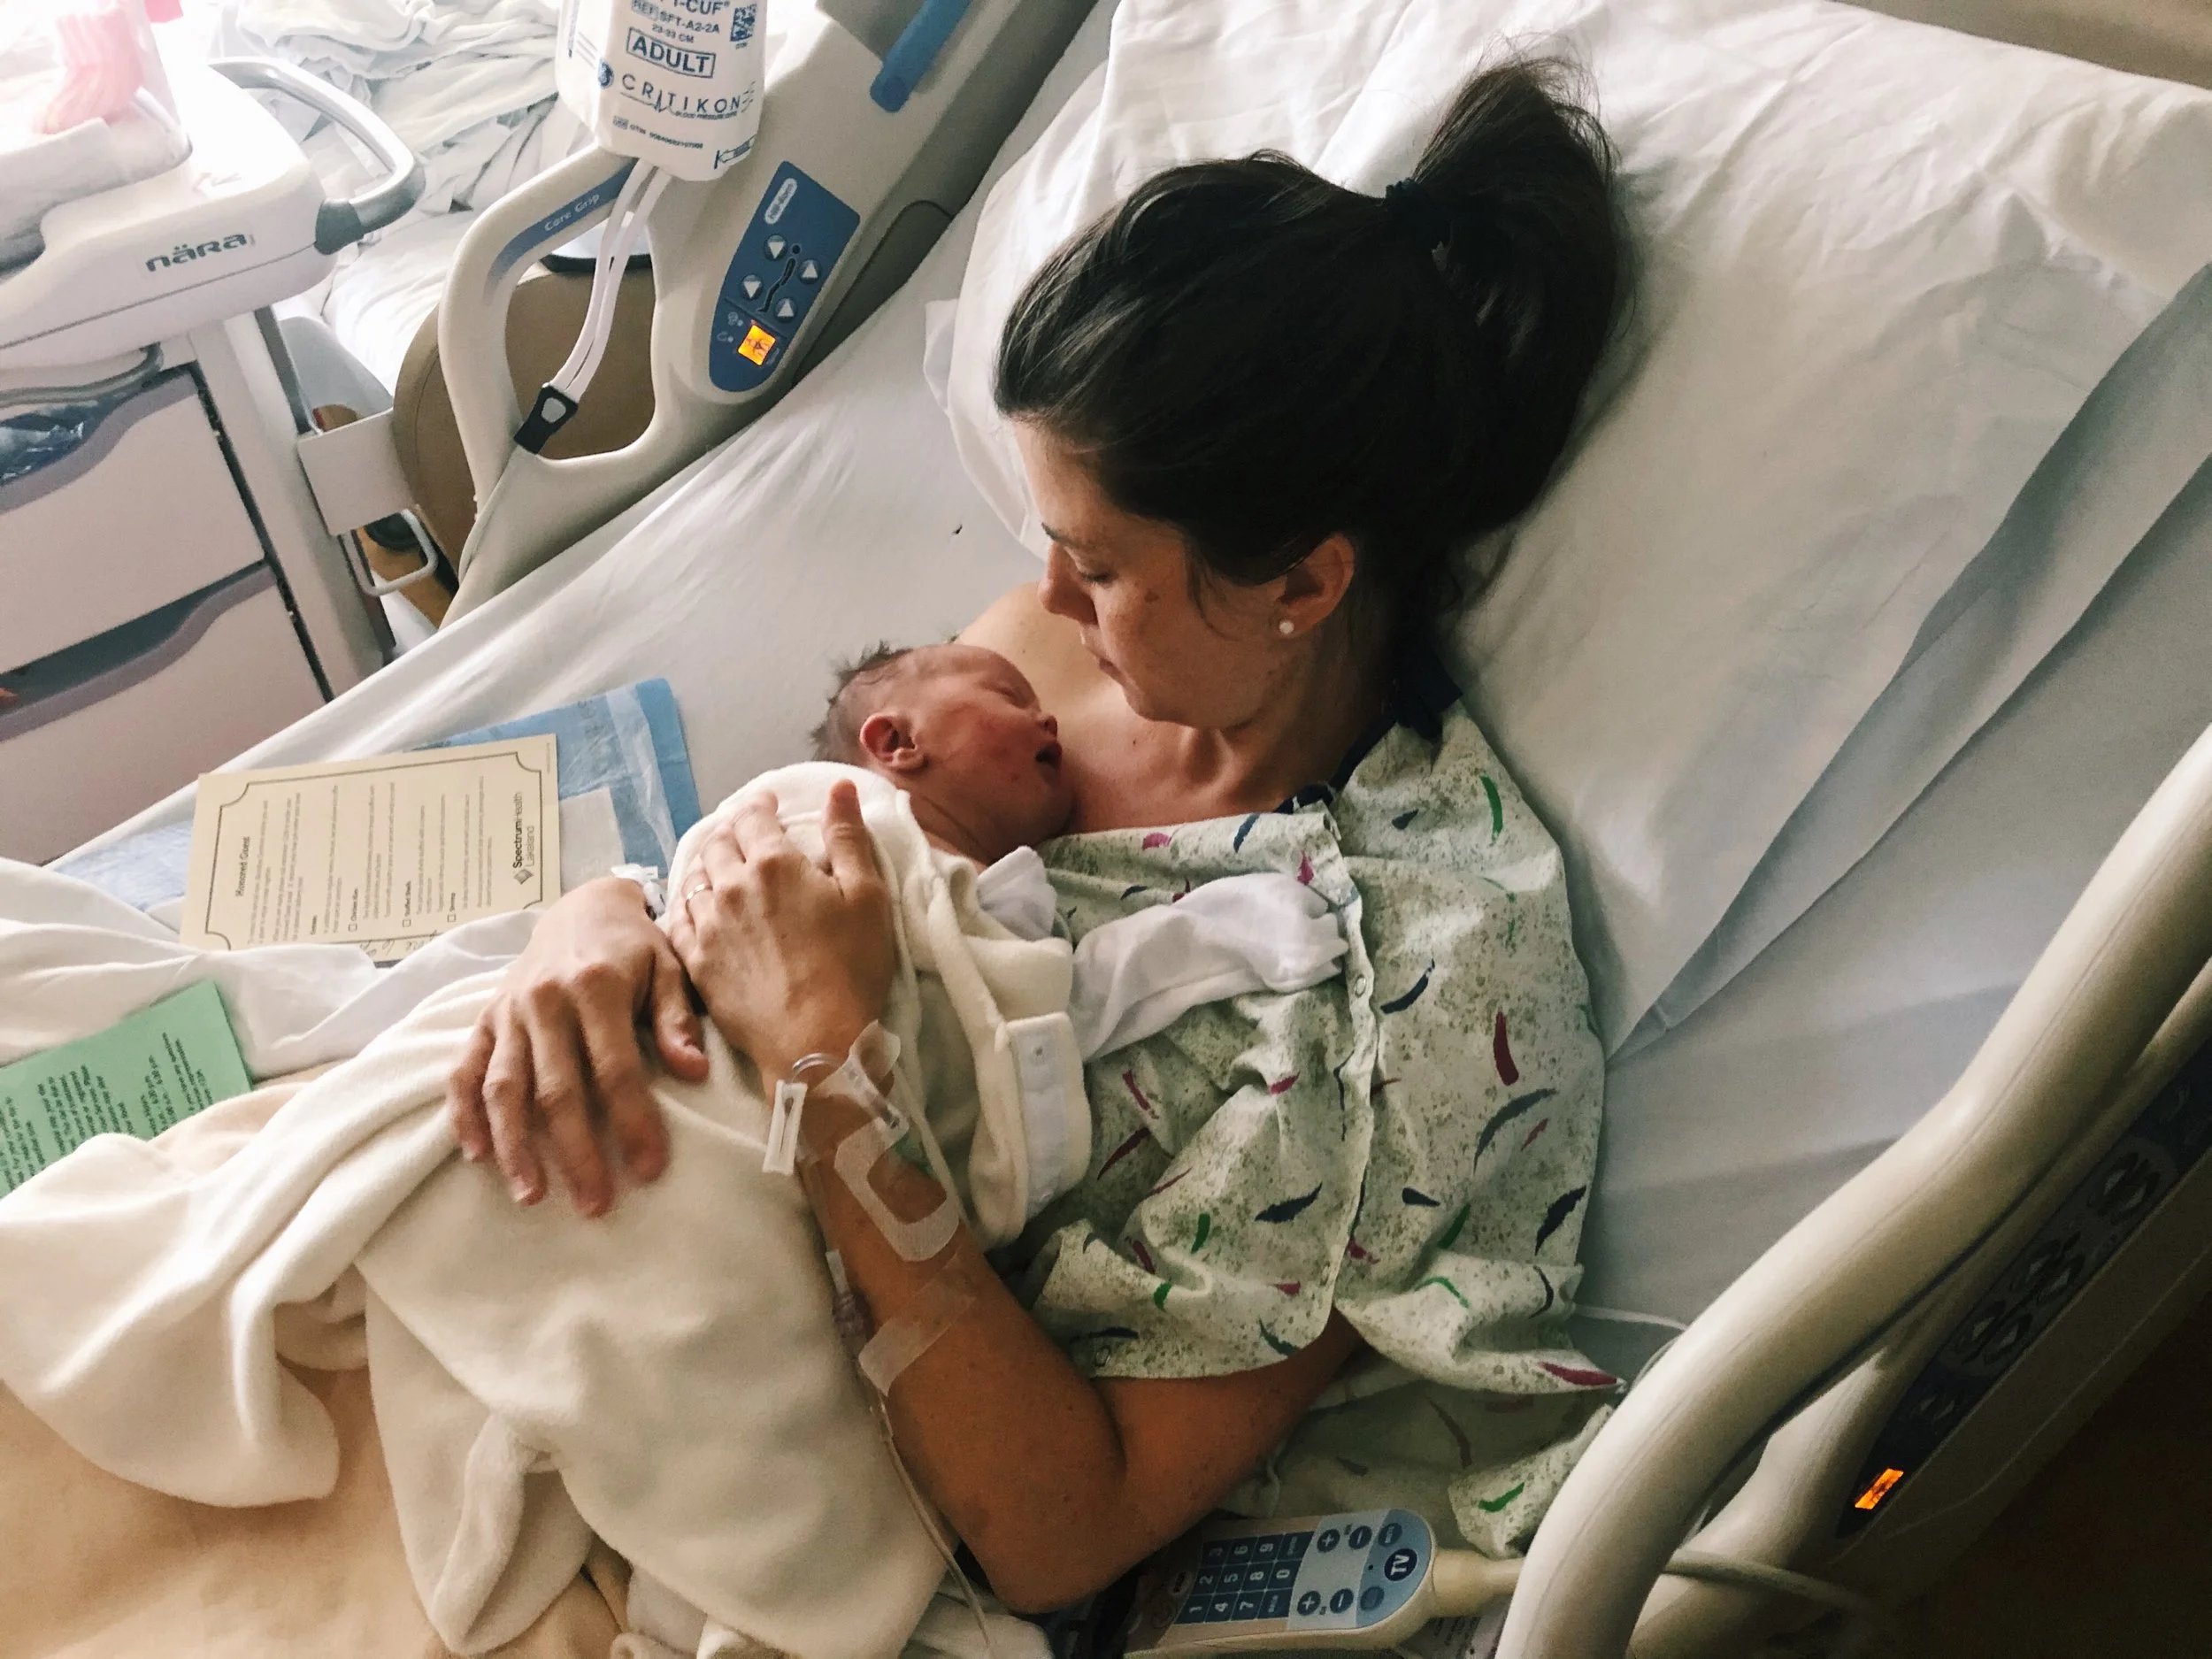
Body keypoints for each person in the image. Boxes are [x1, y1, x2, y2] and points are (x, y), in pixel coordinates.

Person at [446, 56, 1624, 1615]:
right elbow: (801, 858)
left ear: (1304, 581)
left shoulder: (1416, 984)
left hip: (758, 1400)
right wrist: (590, 922)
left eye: (1101, 564)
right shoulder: (1039, 668)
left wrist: (829, 1069)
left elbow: (1065, 1529)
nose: (1049, 598)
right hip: (598, 1191)